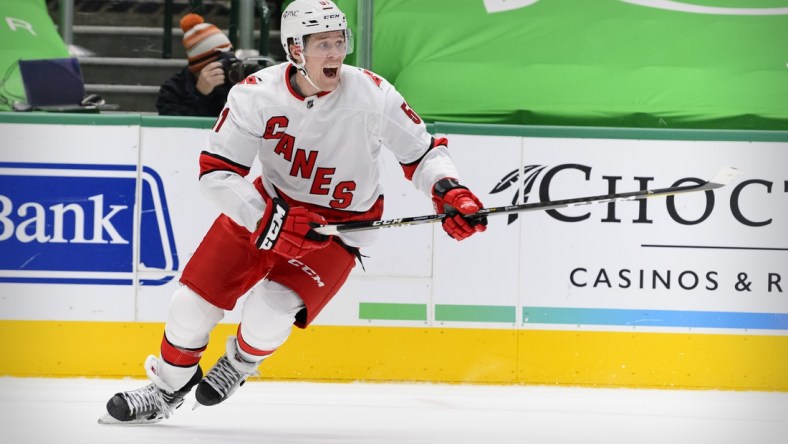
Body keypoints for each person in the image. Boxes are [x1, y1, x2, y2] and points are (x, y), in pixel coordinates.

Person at [100, 0, 487, 425]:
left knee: (270, 309)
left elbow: (422, 153)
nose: (336, 54)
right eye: (323, 44)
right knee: (188, 306)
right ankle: (165, 390)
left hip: (337, 231)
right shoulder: (255, 94)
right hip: (266, 210)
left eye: (340, 41)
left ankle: (240, 364)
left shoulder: (373, 94)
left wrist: (451, 191)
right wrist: (265, 217)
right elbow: (216, 173)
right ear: (295, 49)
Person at [156, 13, 233, 116]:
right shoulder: (173, 89)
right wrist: (200, 95)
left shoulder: (238, 77)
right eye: (222, 61)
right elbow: (175, 128)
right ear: (200, 68)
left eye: (231, 57)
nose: (228, 65)